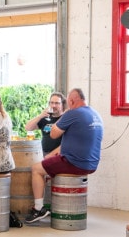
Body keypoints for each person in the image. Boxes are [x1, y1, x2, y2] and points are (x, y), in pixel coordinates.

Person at [25, 88, 103, 224]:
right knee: (46, 165)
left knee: (36, 169)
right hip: (92, 163)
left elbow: (54, 134)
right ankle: (48, 205)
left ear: (70, 101)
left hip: (74, 162)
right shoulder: (95, 114)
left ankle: (38, 209)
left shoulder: (72, 113)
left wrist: (64, 116)